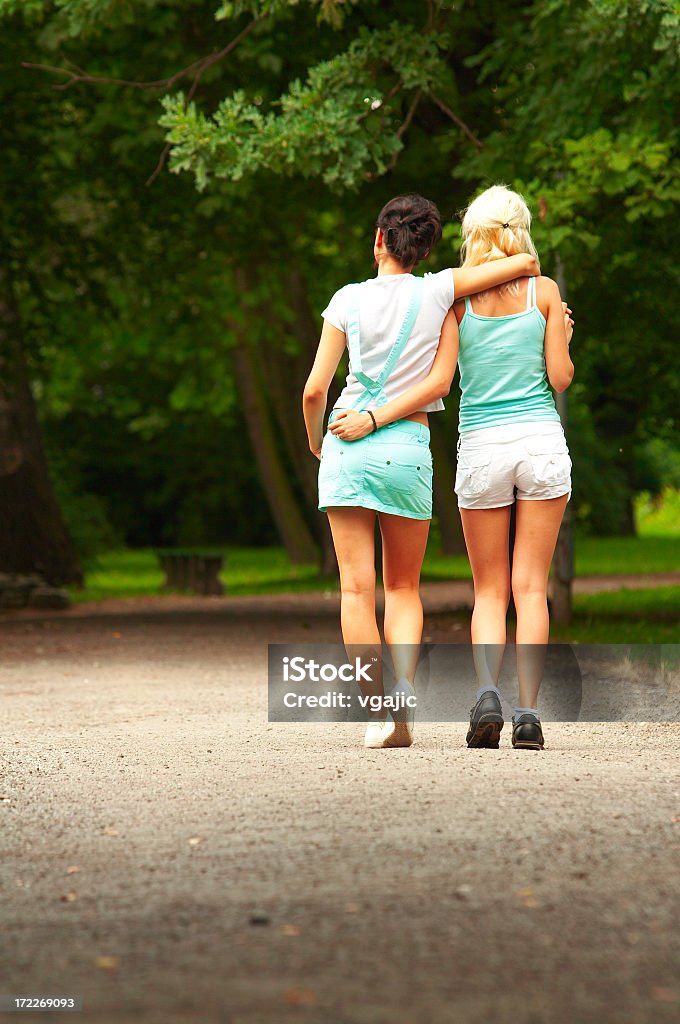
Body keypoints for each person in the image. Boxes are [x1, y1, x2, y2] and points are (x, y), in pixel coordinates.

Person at [302, 193, 540, 750]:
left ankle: (382, 713)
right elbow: (525, 265)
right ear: (427, 247)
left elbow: (315, 389)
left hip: (346, 446)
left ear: (380, 240)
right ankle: (405, 687)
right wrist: (514, 252)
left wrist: (317, 443)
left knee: (356, 591)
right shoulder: (439, 289)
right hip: (407, 447)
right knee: (404, 587)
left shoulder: (346, 299)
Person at [452, 185, 574, 752]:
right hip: (540, 441)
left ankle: (486, 699)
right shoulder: (543, 292)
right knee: (531, 588)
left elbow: (443, 376)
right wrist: (564, 335)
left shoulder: (457, 302)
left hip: (482, 447)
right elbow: (560, 378)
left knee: (488, 591)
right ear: (522, 229)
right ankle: (528, 715)